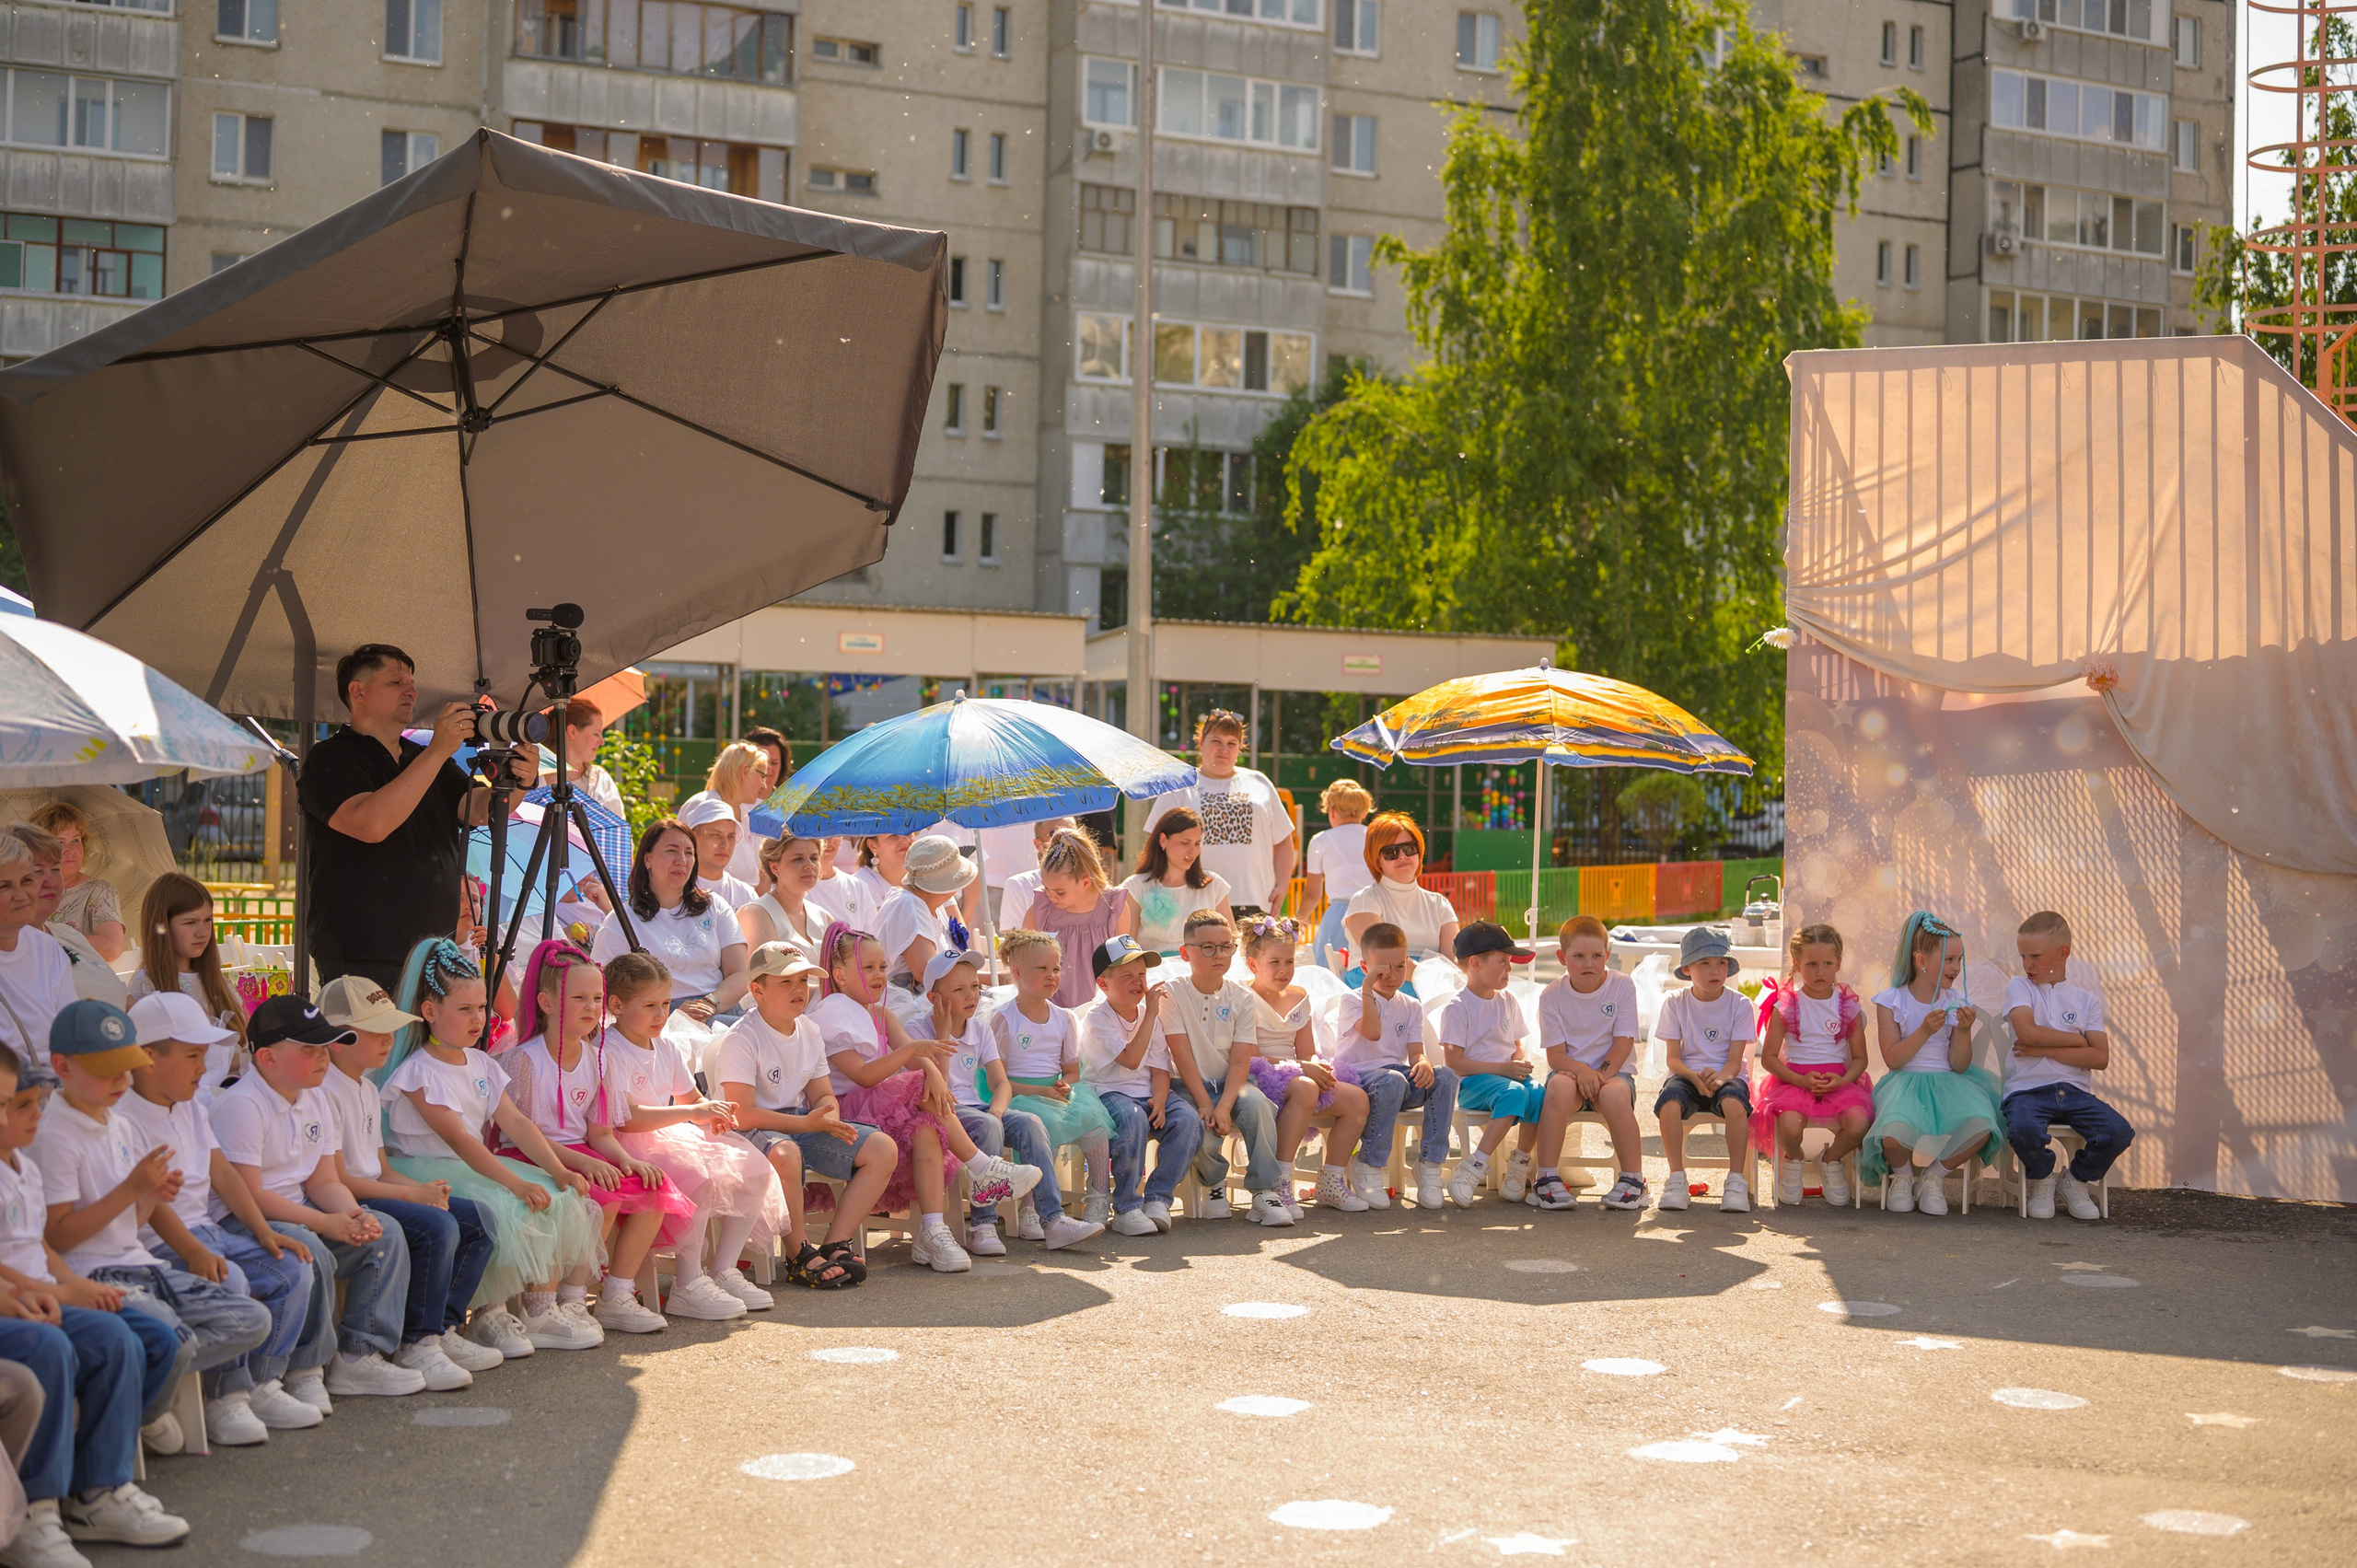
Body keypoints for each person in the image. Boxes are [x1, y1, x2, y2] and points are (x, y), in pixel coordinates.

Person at [31, 1000, 272, 1452]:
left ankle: (139, 1389)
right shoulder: (56, 1135)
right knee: (172, 1341)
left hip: (138, 1265)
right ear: (62, 1067)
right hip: (95, 1274)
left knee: (251, 1319)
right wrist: (134, 1190)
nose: (122, 1081)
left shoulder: (115, 1122)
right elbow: (59, 1237)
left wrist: (149, 1195)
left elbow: (131, 1221)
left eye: (127, 1068)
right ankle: (137, 1406)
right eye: (109, 1070)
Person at [0, 1047, 191, 1567]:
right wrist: (52, 1292)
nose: (33, 1113)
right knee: (49, 1344)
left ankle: (97, 1491)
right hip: (20, 1303)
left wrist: (68, 1285)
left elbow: (36, 1248)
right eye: (19, 1105)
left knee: (126, 1338)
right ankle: (36, 1508)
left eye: (26, 1101)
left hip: (36, 1290)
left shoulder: (22, 1168)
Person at [377, 941, 603, 1353]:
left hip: (470, 1164)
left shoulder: (481, 1063)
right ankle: (488, 1313)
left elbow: (515, 1122)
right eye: (465, 1010)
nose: (478, 1019)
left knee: (561, 1196)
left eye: (482, 1008)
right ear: (430, 1012)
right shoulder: (419, 1072)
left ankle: (539, 1309)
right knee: (503, 1206)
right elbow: (460, 1140)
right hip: (428, 1168)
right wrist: (515, 1183)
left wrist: (557, 1169)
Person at [117, 993, 324, 1439]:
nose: (203, 1066)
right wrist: (193, 1252)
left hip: (209, 1232)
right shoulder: (125, 1118)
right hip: (161, 1246)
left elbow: (224, 1172)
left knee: (293, 1267)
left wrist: (264, 1231)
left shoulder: (190, 1104)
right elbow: (154, 1209)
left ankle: (264, 1382)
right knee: (228, 1279)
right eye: (193, 1055)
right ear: (148, 1058)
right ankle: (226, 1398)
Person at [209, 995, 423, 1405]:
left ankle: (358, 1357)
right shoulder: (241, 1105)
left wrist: (353, 1215)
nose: (323, 1057)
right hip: (243, 1221)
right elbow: (248, 1197)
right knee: (312, 1251)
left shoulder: (314, 1096)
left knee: (385, 1235)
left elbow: (324, 1181)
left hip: (299, 1212)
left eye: (325, 1046)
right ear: (268, 1058)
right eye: (309, 1049)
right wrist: (324, 1224)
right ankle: (302, 1370)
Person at [296, 643, 534, 992]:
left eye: (412, 682)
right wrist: (438, 750)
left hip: (435, 952)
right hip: (362, 955)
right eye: (396, 682)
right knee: (374, 1047)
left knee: (428, 1049)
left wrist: (520, 782)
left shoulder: (423, 758)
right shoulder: (329, 758)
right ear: (357, 691)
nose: (411, 690)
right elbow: (371, 824)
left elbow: (481, 809)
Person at [808, 924, 1039, 1273]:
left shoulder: (883, 1015)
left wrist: (928, 1067)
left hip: (883, 1110)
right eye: (868, 968)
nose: (879, 975)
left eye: (883, 967)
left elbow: (924, 1069)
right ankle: (980, 1167)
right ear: (839, 975)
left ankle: (932, 1229)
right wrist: (918, 1055)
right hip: (848, 1109)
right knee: (916, 1086)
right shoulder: (832, 1013)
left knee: (927, 1128)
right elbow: (864, 1076)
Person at [312, 977, 505, 1376]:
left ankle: (443, 1326)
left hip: (372, 1190)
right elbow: (339, 1180)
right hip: (343, 1202)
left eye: (391, 1028)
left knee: (479, 1222)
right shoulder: (322, 1091)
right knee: (437, 1226)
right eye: (377, 1030)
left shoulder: (364, 1087)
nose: (390, 1039)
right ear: (339, 1037)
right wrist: (411, 1197)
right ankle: (418, 1342)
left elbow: (382, 1169)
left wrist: (419, 1190)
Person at [494, 942, 692, 1330]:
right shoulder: (525, 1059)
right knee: (601, 1197)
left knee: (651, 1187)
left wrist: (625, 1159)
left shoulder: (599, 1057)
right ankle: (568, 1298)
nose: (591, 1007)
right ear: (547, 1003)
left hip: (581, 1151)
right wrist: (584, 1161)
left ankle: (615, 1293)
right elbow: (523, 1133)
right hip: (533, 1155)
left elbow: (600, 1133)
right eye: (579, 998)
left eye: (597, 998)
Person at [591, 952, 787, 1321]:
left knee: (755, 1167)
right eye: (649, 1005)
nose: (661, 1015)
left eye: (665, 1004)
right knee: (696, 1175)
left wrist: (712, 1114)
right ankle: (687, 1282)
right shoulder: (608, 1050)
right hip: (625, 1144)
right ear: (616, 1004)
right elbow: (624, 1118)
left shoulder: (665, 1046)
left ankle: (724, 1268)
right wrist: (692, 1113)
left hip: (668, 1133)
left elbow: (690, 1098)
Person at [712, 943, 884, 1290]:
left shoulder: (809, 1030)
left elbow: (821, 1093)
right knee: (786, 1153)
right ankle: (798, 1254)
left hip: (796, 1121)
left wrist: (829, 1115)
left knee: (881, 1149)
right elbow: (741, 1115)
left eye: (803, 981)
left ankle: (835, 1244)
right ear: (757, 990)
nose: (799, 990)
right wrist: (808, 1123)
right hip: (743, 1130)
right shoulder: (741, 1039)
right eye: (786, 982)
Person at [911, 949, 1095, 1253]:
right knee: (988, 1125)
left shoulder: (980, 1029)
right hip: (944, 1111)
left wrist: (997, 1111)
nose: (971, 996)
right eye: (959, 990)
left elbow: (1001, 1083)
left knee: (1030, 1123)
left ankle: (1052, 1219)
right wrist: (943, 1035)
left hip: (979, 1108)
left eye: (975, 987)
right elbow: (933, 1090)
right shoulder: (916, 1030)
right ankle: (983, 1225)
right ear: (934, 998)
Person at [1865, 913, 2003, 1215]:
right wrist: (1924, 1030)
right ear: (1921, 961)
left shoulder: (1954, 1001)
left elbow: (1959, 1065)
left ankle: (1932, 1177)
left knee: (1982, 1126)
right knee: (1890, 1134)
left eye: (1959, 959)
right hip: (1905, 1082)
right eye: (1949, 959)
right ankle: (1903, 1176)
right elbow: (1893, 1058)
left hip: (1948, 1083)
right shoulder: (1891, 1001)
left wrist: (1963, 1031)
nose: (1956, 967)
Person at [2003, 911, 2131, 1221]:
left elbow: (2100, 1058)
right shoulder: (2019, 987)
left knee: (2118, 1131)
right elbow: (2027, 1032)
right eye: (2023, 956)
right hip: (2027, 1091)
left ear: (2063, 953)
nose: (2027, 965)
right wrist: (2077, 1042)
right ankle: (2042, 1177)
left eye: (2035, 956)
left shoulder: (2087, 1001)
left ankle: (2074, 1180)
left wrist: (2042, 1048)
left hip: (2075, 1092)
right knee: (2022, 1128)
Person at [1240, 916, 1370, 1218]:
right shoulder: (1243, 998)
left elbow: (1307, 1050)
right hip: (1258, 1076)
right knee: (1306, 1086)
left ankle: (1331, 1179)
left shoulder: (1299, 996)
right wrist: (1303, 1069)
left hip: (1299, 1074)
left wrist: (1314, 1065)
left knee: (1357, 1100)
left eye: (1289, 962)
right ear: (1252, 964)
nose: (1283, 970)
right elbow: (1252, 1056)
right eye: (1274, 962)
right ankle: (1280, 1180)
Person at [987, 930, 1115, 1230]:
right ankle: (1030, 1206)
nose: (1052, 976)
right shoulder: (1004, 1018)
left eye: (1056, 969)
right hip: (1016, 1094)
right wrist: (1040, 1091)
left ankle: (1098, 1194)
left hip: (1052, 1092)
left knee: (1093, 1121)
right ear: (1017, 972)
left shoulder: (1064, 1018)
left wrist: (1065, 1084)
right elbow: (998, 1081)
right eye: (1042, 969)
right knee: (1044, 1125)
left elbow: (1071, 1070)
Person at [1160, 911, 1280, 1224]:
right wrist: (1204, 1103)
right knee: (1193, 1121)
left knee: (1258, 1107)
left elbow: (1241, 1059)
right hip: (1186, 1086)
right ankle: (1213, 1182)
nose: (1220, 955)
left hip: (1233, 1084)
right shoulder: (1171, 993)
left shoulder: (1241, 996)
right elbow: (1181, 1052)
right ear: (1185, 953)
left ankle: (1265, 1191)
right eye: (1208, 947)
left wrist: (1225, 1105)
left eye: (1227, 946)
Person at [1078, 936, 1202, 1237]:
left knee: (1187, 1120)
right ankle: (1126, 1207)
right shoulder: (1098, 1018)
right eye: (1127, 976)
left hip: (1148, 1092)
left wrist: (1160, 1101)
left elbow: (1160, 1069)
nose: (1138, 982)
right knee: (1132, 1118)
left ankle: (1158, 1199)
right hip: (1109, 1092)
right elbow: (1132, 1060)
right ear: (1103, 983)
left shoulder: (1150, 1015)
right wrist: (1150, 1014)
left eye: (1142, 975)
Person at [1332, 922, 1457, 1211]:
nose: (1392, 976)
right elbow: (1373, 1032)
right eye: (1381, 969)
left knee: (1446, 1076)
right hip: (1358, 1079)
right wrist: (1366, 987)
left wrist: (1424, 1064)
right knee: (1393, 1080)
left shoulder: (1411, 1005)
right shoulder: (1351, 1000)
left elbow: (1415, 1053)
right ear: (1365, 968)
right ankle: (1369, 1164)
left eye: (1399, 967)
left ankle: (1429, 1164)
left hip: (1395, 1080)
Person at [1754, 923, 1873, 1207]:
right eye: (1811, 964)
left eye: (1827, 964)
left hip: (1838, 1082)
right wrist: (1800, 1081)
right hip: (1794, 1082)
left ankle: (1831, 1161)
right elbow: (1769, 1057)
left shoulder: (1848, 1006)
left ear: (1839, 964)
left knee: (1859, 1122)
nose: (1820, 972)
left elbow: (1860, 1059)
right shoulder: (1786, 1005)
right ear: (1797, 964)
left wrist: (1843, 1081)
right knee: (1791, 1126)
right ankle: (1793, 1161)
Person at [1530, 917, 1645, 1212]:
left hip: (1614, 1074)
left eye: (1596, 956)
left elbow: (1623, 1043)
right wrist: (1582, 1072)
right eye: (1578, 956)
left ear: (1607, 956)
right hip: (1569, 1073)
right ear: (1561, 958)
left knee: (1614, 1094)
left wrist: (1599, 1077)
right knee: (1557, 1087)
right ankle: (1545, 1179)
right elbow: (1555, 1055)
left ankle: (1634, 1181)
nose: (1588, 963)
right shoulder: (1551, 995)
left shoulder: (1622, 985)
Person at [590, 819, 749, 1024]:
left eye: (689, 852)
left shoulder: (715, 907)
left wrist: (709, 1004)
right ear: (647, 859)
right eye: (671, 851)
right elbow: (600, 986)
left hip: (719, 1010)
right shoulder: (621, 920)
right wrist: (666, 1012)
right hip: (657, 1022)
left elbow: (740, 974)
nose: (681, 860)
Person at [1142, 711, 1295, 918]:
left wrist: (1283, 886)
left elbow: (1283, 839)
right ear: (1201, 742)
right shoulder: (1181, 785)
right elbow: (1156, 842)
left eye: (1232, 743)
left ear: (1241, 747)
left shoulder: (1259, 782)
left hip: (1256, 901)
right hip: (1195, 901)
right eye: (1217, 741)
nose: (1224, 750)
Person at [1653, 926, 1756, 1214]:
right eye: (1705, 963)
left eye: (1721, 963)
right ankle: (1676, 1179)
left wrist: (1720, 1078)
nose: (1715, 970)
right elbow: (1673, 1059)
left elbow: (1735, 1060)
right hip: (1687, 1075)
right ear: (1687, 969)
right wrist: (1693, 1078)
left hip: (1728, 1076)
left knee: (1735, 1105)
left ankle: (1736, 1181)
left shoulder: (1740, 1004)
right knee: (1669, 1105)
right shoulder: (1674, 1002)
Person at [1440, 922, 1542, 1207]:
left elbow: (1516, 1043)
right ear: (1475, 963)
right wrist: (1504, 1070)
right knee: (1515, 1092)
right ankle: (1473, 1168)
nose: (1509, 968)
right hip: (1472, 1084)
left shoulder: (1508, 1001)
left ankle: (1518, 1167)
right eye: (1502, 961)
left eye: (1509, 962)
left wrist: (1517, 1062)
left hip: (1505, 1079)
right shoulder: (1458, 1007)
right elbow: (1454, 1063)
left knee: (1539, 1093)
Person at [122, 875, 242, 1100]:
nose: (203, 932)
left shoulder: (217, 980)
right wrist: (246, 1060)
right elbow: (168, 1061)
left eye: (208, 920)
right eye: (190, 922)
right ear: (162, 926)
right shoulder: (148, 987)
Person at [2, 830, 122, 1012]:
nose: (51, 881)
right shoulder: (12, 948)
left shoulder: (67, 936)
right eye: (38, 871)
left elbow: (124, 998)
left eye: (56, 869)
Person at [1341, 814, 1460, 970]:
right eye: (1391, 852)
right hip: (1379, 982)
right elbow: (1383, 959)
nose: (1403, 856)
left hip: (1429, 985)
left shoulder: (1439, 903)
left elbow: (1453, 961)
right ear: (1377, 860)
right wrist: (1427, 978)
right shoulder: (1365, 900)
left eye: (1409, 849)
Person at [1022, 830, 1124, 1009]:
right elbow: (1024, 960)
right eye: (1046, 888)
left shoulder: (1113, 907)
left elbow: (1125, 961)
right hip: (1052, 1010)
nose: (1051, 896)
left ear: (1085, 882)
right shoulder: (1041, 909)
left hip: (1104, 1009)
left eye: (1060, 892)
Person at [0, 836, 72, 1090]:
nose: (21, 895)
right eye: (4, 886)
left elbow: (70, 1034)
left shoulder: (48, 948)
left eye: (27, 881)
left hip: (57, 1095)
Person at [1117, 808, 1232, 958]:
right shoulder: (1135, 887)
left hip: (1203, 974)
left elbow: (1230, 941)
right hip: (1154, 973)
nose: (1193, 851)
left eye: (1198, 843)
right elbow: (1126, 947)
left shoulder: (1214, 885)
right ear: (1163, 840)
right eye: (1185, 843)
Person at [23, 808, 122, 968]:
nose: (70, 850)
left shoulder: (100, 891)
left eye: (76, 840)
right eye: (60, 842)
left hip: (80, 987)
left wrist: (50, 936)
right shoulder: (20, 890)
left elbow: (112, 947)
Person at [875, 836, 974, 994]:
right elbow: (929, 974)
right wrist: (992, 979)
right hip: (908, 1010)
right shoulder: (909, 906)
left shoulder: (929, 902)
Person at [1302, 782, 1374, 972]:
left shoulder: (1320, 840)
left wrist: (1298, 921)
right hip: (1376, 910)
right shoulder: (1376, 836)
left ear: (1332, 811)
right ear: (1364, 812)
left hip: (1340, 916)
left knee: (1331, 975)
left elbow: (1312, 893)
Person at [679, 742, 772, 888]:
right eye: (763, 776)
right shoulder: (700, 804)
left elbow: (758, 878)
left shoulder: (748, 816)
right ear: (745, 771)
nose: (764, 785)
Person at [737, 836, 829, 968]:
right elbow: (764, 978)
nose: (810, 866)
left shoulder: (824, 917)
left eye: (814, 858)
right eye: (798, 859)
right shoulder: (755, 914)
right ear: (774, 867)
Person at [538, 698, 625, 821]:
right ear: (572, 731)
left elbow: (617, 832)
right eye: (596, 733)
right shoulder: (536, 778)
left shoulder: (601, 781)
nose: (602, 741)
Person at [677, 796, 757, 918]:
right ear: (693, 837)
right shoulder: (674, 891)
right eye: (715, 835)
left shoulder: (746, 895)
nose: (725, 845)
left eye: (731, 836)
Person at [997, 819, 1069, 936]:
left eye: (1073, 833)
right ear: (1037, 844)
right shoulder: (1018, 884)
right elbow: (1017, 946)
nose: (1065, 841)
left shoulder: (1091, 883)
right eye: (1054, 834)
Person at [841, 835, 913, 935]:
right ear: (873, 845)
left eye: (908, 832)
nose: (905, 840)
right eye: (893, 836)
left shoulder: (924, 873)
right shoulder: (862, 883)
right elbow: (887, 931)